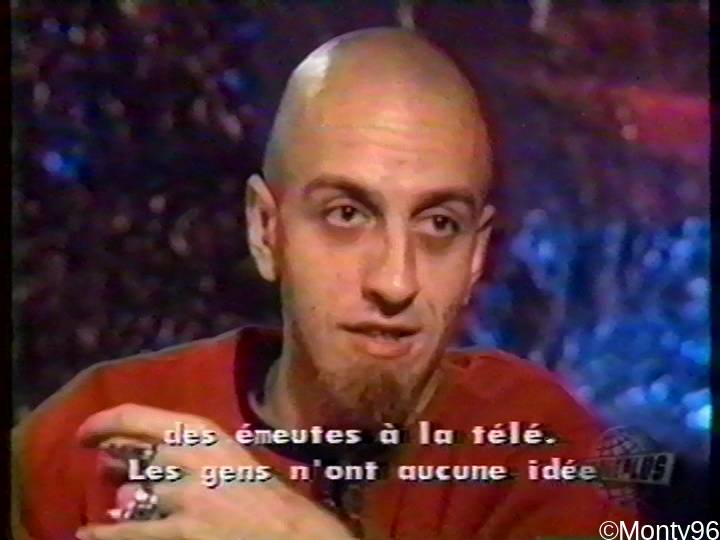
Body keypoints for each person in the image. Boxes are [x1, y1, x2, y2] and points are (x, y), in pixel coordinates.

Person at [13, 27, 639, 540]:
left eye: (439, 224)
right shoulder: (98, 433)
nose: (395, 281)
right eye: (346, 214)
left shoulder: (539, 453)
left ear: (476, 254)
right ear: (266, 231)